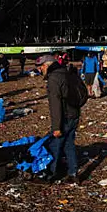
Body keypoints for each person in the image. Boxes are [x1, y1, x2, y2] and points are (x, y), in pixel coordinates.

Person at [38, 55, 81, 184]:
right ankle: (73, 174)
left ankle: (49, 175)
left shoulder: (54, 78)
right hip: (74, 114)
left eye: (40, 67)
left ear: (46, 65)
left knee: (54, 146)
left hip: (64, 117)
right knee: (69, 145)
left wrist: (56, 127)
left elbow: (55, 104)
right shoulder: (66, 72)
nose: (40, 70)